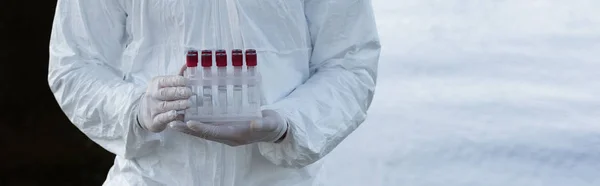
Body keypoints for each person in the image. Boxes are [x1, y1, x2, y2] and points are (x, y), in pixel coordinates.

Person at [48, 0, 381, 185]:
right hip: (153, 179)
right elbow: (74, 64)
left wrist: (288, 124)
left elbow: (349, 62)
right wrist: (133, 108)